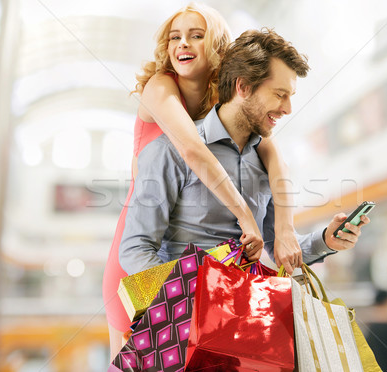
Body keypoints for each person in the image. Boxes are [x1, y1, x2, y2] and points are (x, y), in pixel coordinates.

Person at [102, 3, 304, 360]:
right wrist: (245, 216)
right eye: (175, 37)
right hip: (142, 240)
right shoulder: (160, 87)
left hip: (211, 283)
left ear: (217, 47)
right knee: (138, 353)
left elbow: (275, 158)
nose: (184, 43)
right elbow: (193, 151)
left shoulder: (227, 102)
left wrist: (285, 229)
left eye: (197, 35)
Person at [119, 29, 370, 277]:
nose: (288, 108)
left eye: (290, 97)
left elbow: (278, 248)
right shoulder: (169, 151)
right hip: (190, 312)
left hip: (248, 311)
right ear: (243, 87)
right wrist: (191, 298)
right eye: (280, 95)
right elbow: (135, 250)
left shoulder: (268, 165)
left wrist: (327, 240)